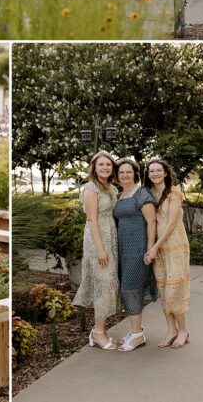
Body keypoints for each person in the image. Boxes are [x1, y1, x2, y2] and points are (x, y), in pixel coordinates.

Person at [72, 149, 120, 350]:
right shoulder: (91, 188)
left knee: (109, 283)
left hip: (111, 235)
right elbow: (91, 219)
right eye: (101, 164)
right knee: (104, 283)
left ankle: (101, 329)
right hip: (97, 238)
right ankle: (98, 332)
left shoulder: (111, 187)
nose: (105, 167)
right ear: (94, 167)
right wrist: (101, 249)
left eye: (108, 164)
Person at [143, 157, 191, 348]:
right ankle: (171, 330)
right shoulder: (148, 194)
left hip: (175, 245)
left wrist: (153, 248)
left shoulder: (174, 193)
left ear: (165, 173)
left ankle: (184, 330)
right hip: (158, 248)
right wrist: (152, 247)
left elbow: (170, 224)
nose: (155, 173)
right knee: (163, 289)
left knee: (174, 289)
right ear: (147, 174)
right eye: (151, 171)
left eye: (158, 170)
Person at [113, 156, 157, 352]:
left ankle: (137, 335)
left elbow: (152, 222)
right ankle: (135, 330)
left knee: (130, 288)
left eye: (128, 172)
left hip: (138, 248)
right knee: (127, 287)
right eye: (121, 172)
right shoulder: (119, 196)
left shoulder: (142, 194)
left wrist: (149, 249)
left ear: (135, 174)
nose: (124, 175)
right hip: (122, 249)